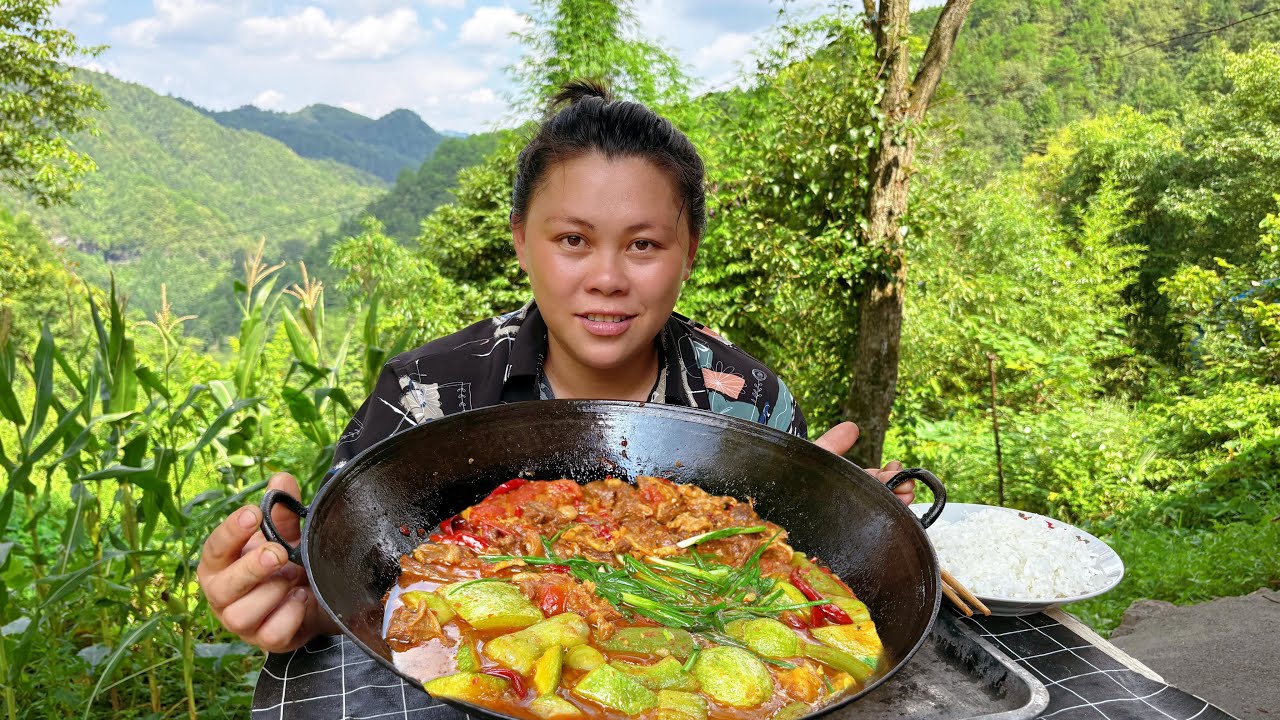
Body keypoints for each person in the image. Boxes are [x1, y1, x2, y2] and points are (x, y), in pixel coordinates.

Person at [196, 79, 915, 658]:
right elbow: (348, 571)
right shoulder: (426, 394)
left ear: (689, 249)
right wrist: (293, 596)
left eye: (643, 245)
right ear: (522, 243)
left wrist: (846, 526)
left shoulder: (749, 400)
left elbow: (793, 588)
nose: (607, 277)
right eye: (573, 239)